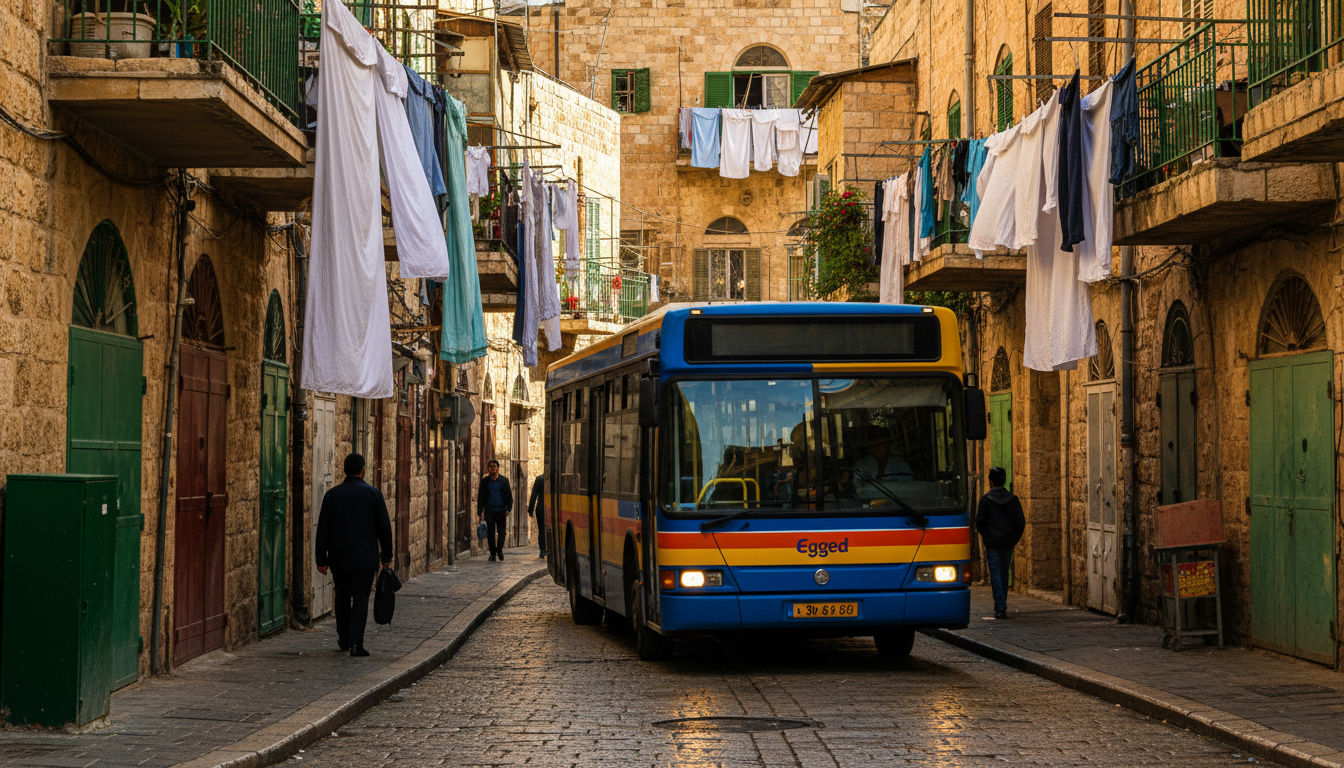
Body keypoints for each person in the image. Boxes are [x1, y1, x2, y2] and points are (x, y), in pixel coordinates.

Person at [315, 453, 393, 657]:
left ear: (344, 470)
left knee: (341, 597)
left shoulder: (332, 496)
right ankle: (356, 643)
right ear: (363, 470)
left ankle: (344, 637)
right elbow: (384, 527)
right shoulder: (373, 494)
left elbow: (323, 528)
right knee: (360, 599)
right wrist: (386, 555)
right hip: (365, 559)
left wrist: (321, 558)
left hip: (339, 558)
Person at [976, 466, 1026, 620]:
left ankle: (1000, 606)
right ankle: (1001, 604)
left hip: (993, 541)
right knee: (1004, 572)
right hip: (1007, 541)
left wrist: (987, 535)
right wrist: (1013, 538)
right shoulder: (1013, 500)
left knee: (996, 572)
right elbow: (1020, 522)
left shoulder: (985, 500)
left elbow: (980, 521)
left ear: (990, 482)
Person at [853, 431, 914, 500]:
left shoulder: (901, 464)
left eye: (881, 444)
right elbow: (858, 490)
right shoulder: (860, 465)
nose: (877, 448)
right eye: (874, 445)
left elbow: (908, 489)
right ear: (869, 447)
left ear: (887, 445)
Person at [477, 459, 512, 561]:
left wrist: (508, 509)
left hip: (501, 510)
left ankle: (499, 550)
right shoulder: (485, 482)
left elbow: (509, 496)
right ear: (488, 468)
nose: (493, 468)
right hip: (490, 510)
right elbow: (481, 497)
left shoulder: (504, 481)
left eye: (494, 466)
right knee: (490, 533)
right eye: (491, 466)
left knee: (502, 533)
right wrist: (480, 511)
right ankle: (492, 553)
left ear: (498, 468)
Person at [527, 474, 547, 558]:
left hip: (541, 507)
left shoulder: (539, 479)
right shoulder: (554, 478)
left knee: (541, 530)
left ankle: (543, 550)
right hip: (552, 508)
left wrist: (530, 508)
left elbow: (534, 494)